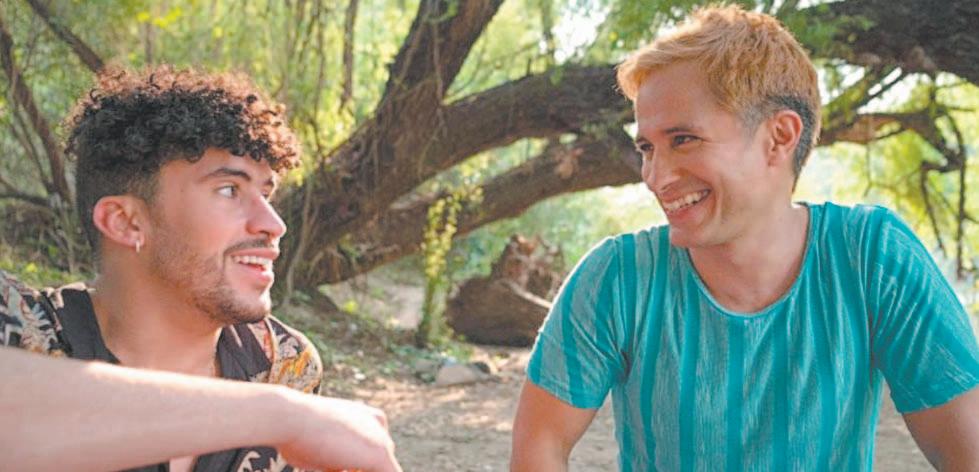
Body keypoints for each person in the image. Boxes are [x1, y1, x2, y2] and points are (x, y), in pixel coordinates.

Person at [511, 6, 979, 471]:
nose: (654, 176)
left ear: (779, 136)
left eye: (683, 139)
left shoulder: (870, 257)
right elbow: (540, 447)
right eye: (647, 148)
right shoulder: (618, 278)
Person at [0, 66, 401, 472]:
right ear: (125, 222)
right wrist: (279, 415)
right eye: (229, 190)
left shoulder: (284, 364)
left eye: (266, 194)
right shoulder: (19, 327)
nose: (273, 224)